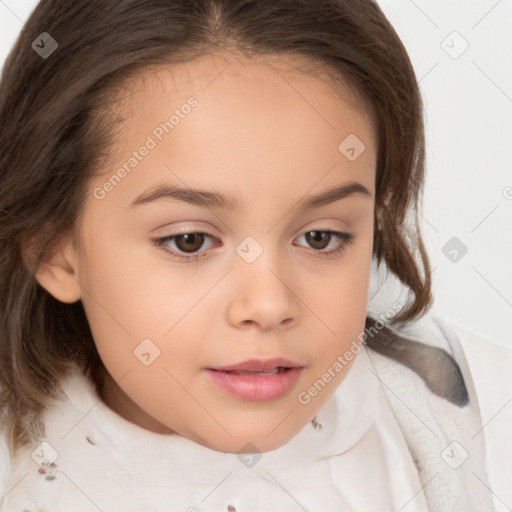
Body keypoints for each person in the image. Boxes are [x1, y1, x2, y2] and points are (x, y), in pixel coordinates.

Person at [0, 0, 510, 510]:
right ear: (56, 253)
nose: (268, 305)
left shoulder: (478, 418)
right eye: (190, 241)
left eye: (320, 237)